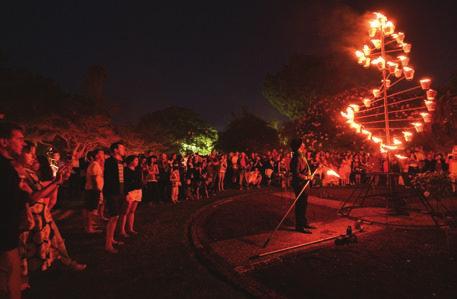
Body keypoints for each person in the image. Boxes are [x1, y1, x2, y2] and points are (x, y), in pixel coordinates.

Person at [0, 122, 27, 299]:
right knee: (13, 270)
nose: (23, 143)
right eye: (19, 139)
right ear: (4, 141)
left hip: (7, 226)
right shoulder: (4, 168)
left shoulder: (8, 167)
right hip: (4, 227)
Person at [103, 142, 126, 254]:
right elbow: (108, 180)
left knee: (116, 217)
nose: (124, 150)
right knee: (113, 217)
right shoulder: (109, 162)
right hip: (113, 193)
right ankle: (108, 244)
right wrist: (108, 195)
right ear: (115, 150)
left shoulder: (121, 162)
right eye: (122, 148)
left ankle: (111, 239)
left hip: (120, 193)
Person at [290, 138, 316, 234]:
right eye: (303, 143)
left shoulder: (301, 155)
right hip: (300, 184)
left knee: (304, 204)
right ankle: (299, 226)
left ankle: (304, 222)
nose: (304, 145)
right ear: (300, 145)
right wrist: (306, 178)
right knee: (300, 205)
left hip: (304, 184)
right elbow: (296, 173)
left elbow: (304, 168)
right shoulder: (296, 157)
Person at [83, 149, 105, 234]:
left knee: (90, 209)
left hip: (92, 189)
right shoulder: (95, 165)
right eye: (101, 153)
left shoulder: (96, 164)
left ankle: (89, 226)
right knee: (91, 210)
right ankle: (89, 228)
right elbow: (94, 178)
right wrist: (97, 190)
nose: (103, 155)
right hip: (93, 190)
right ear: (96, 156)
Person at [120, 155, 142, 237]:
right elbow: (125, 183)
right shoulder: (125, 170)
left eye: (137, 160)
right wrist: (126, 193)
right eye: (135, 160)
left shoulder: (138, 170)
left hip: (138, 191)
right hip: (130, 192)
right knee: (125, 211)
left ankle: (130, 228)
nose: (137, 162)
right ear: (130, 161)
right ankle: (122, 230)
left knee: (132, 211)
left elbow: (140, 180)